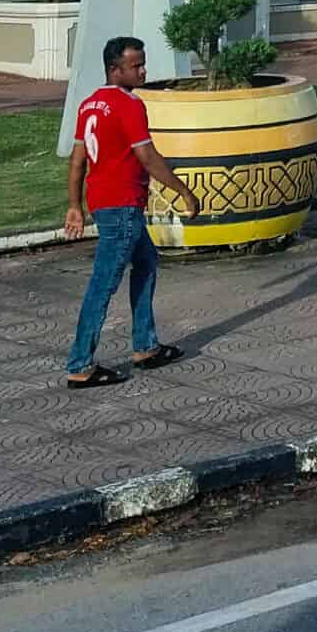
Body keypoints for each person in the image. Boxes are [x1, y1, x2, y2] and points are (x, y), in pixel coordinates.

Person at [62, 36, 199, 388]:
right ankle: (80, 364)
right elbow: (148, 157)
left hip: (108, 204)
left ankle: (145, 345)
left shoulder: (90, 104)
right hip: (121, 206)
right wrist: (183, 191)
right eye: (135, 66)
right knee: (102, 284)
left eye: (142, 63)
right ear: (114, 69)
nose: (142, 70)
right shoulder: (129, 105)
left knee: (147, 262)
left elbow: (78, 162)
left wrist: (76, 206)